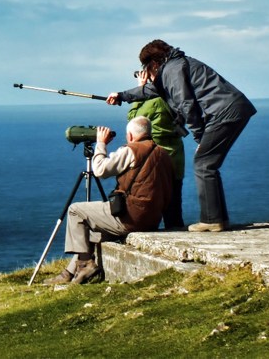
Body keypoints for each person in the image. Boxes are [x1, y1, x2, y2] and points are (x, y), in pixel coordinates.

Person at [107, 40, 256, 233]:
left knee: (204, 163)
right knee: (208, 164)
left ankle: (212, 220)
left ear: (152, 64)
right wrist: (121, 95)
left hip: (224, 112)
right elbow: (151, 90)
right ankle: (219, 219)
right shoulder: (175, 67)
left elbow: (186, 103)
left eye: (145, 67)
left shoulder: (172, 70)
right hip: (232, 108)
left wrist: (199, 136)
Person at [43, 116, 173, 285]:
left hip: (131, 217)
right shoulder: (163, 153)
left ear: (131, 136)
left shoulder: (130, 150)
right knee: (91, 232)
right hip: (152, 218)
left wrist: (101, 144)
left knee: (76, 211)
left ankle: (85, 264)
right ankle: (69, 273)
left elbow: (100, 170)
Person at [127, 85, 185, 229]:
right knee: (174, 206)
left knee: (153, 202)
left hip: (156, 160)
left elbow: (134, 121)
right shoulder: (177, 98)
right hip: (176, 156)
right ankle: (176, 231)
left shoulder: (155, 102)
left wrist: (140, 91)